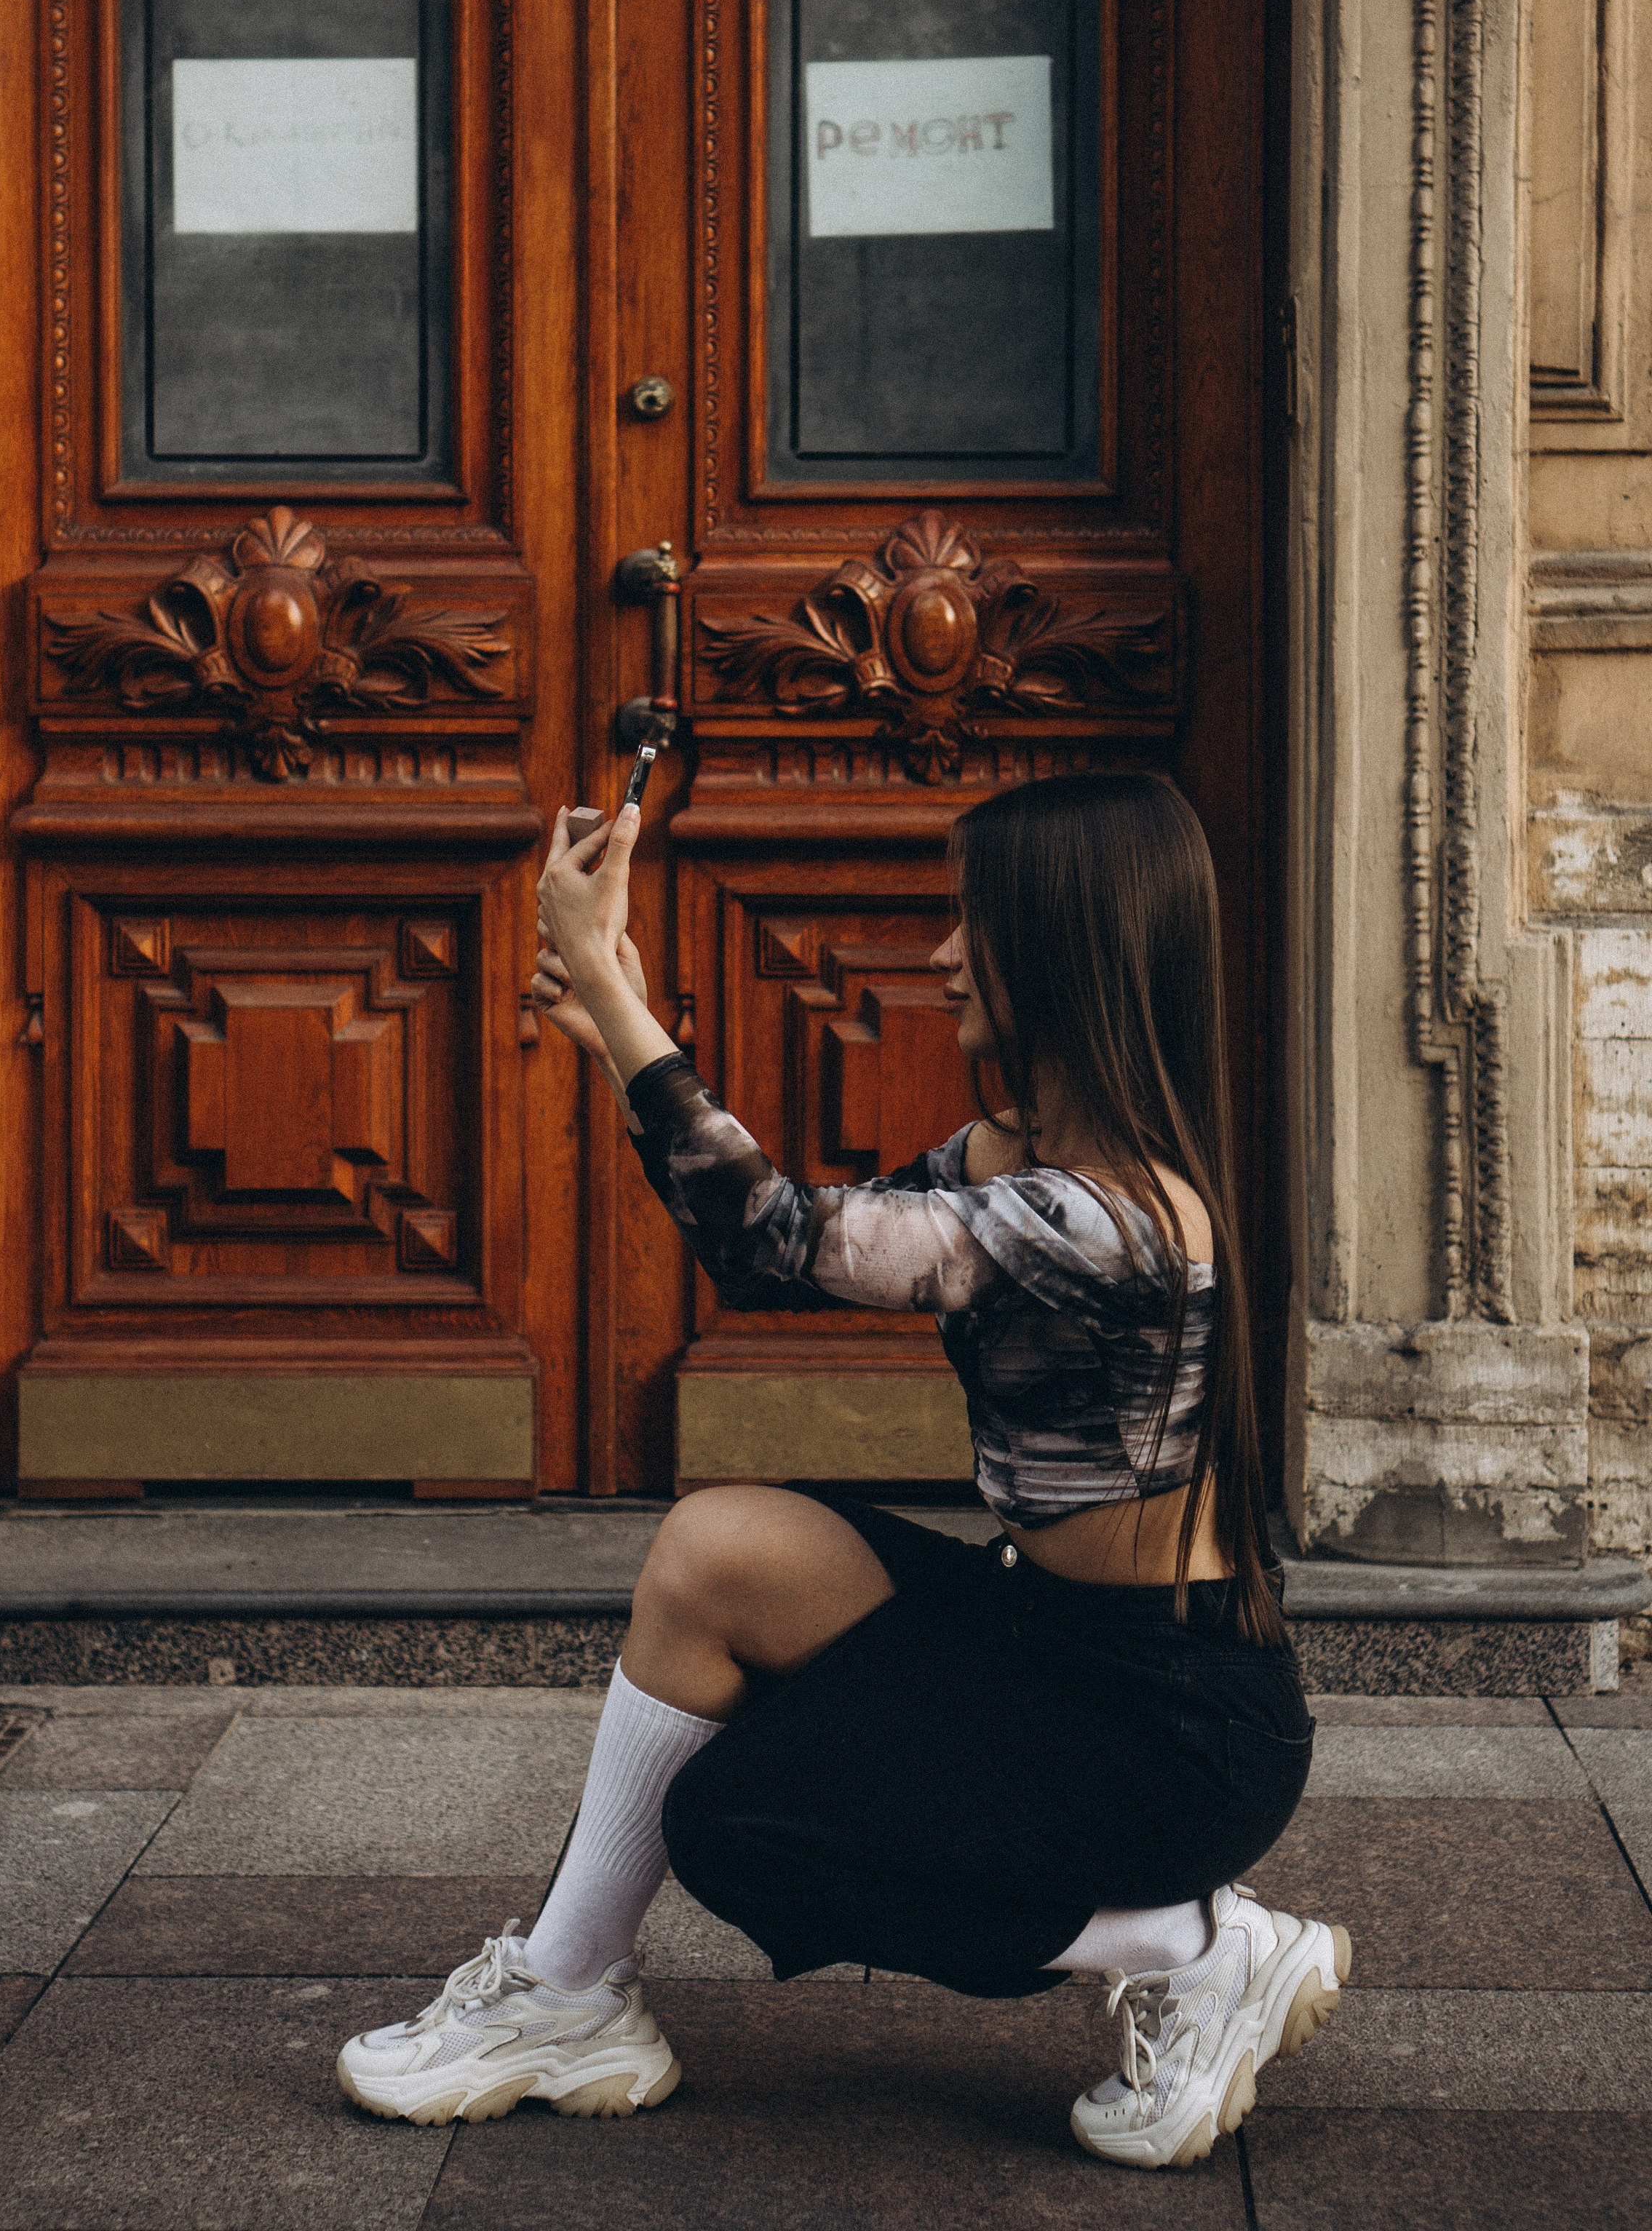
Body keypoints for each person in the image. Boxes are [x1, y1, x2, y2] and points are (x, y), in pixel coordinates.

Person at [336, 773, 1350, 2170]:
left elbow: (780, 1237)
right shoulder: (1019, 1164)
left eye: (969, 925)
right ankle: (567, 1994)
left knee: (742, 1830)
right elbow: (795, 1242)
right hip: (1048, 1638)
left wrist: (619, 1006)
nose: (940, 957)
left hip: (1169, 1730)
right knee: (716, 1556)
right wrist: (618, 1034)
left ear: (1060, 948)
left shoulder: (1114, 1222)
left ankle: (1192, 1944)